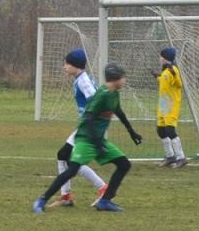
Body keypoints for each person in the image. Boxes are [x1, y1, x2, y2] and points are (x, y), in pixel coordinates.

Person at [34, 62, 144, 213]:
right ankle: (41, 200)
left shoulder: (114, 93)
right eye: (123, 77)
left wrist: (132, 133)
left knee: (124, 164)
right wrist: (97, 142)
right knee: (72, 170)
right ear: (114, 78)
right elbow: (89, 118)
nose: (124, 80)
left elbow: (119, 112)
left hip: (98, 139)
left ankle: (105, 201)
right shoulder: (102, 94)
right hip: (86, 139)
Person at [50, 49, 109, 207]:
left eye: (67, 64)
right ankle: (66, 196)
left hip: (89, 127)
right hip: (86, 126)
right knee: (63, 156)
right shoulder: (80, 79)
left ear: (75, 65)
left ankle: (103, 189)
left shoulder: (84, 81)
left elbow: (96, 101)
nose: (64, 67)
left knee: (70, 159)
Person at [154, 46, 187, 168]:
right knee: (161, 131)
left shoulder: (173, 70)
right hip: (163, 103)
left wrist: (173, 73)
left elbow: (178, 84)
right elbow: (164, 82)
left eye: (161, 56)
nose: (159, 58)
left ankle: (181, 157)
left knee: (170, 130)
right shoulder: (165, 70)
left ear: (165, 58)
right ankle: (170, 156)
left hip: (171, 103)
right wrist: (157, 76)